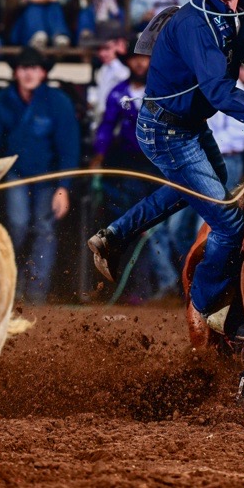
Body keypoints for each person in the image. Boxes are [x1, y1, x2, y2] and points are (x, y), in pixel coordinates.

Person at [86, 0, 244, 326]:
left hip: (185, 125)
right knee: (229, 223)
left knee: (203, 188)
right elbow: (218, 90)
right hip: (167, 130)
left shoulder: (242, 21)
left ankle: (115, 237)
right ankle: (205, 308)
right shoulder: (194, 23)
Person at [0, 46, 80, 303]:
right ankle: (11, 284)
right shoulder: (1, 102)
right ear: (16, 72)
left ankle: (37, 291)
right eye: (24, 68)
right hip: (15, 174)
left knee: (44, 227)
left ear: (43, 73)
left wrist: (63, 187)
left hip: (47, 177)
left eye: (34, 68)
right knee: (17, 224)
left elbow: (69, 148)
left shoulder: (58, 102)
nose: (29, 73)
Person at [93, 44, 179, 301]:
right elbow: (107, 125)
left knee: (155, 228)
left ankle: (164, 285)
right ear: (128, 62)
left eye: (144, 58)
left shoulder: (162, 91)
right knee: (135, 228)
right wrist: (99, 154)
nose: (140, 63)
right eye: (135, 58)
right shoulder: (119, 93)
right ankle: (140, 289)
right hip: (130, 169)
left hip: (158, 166)